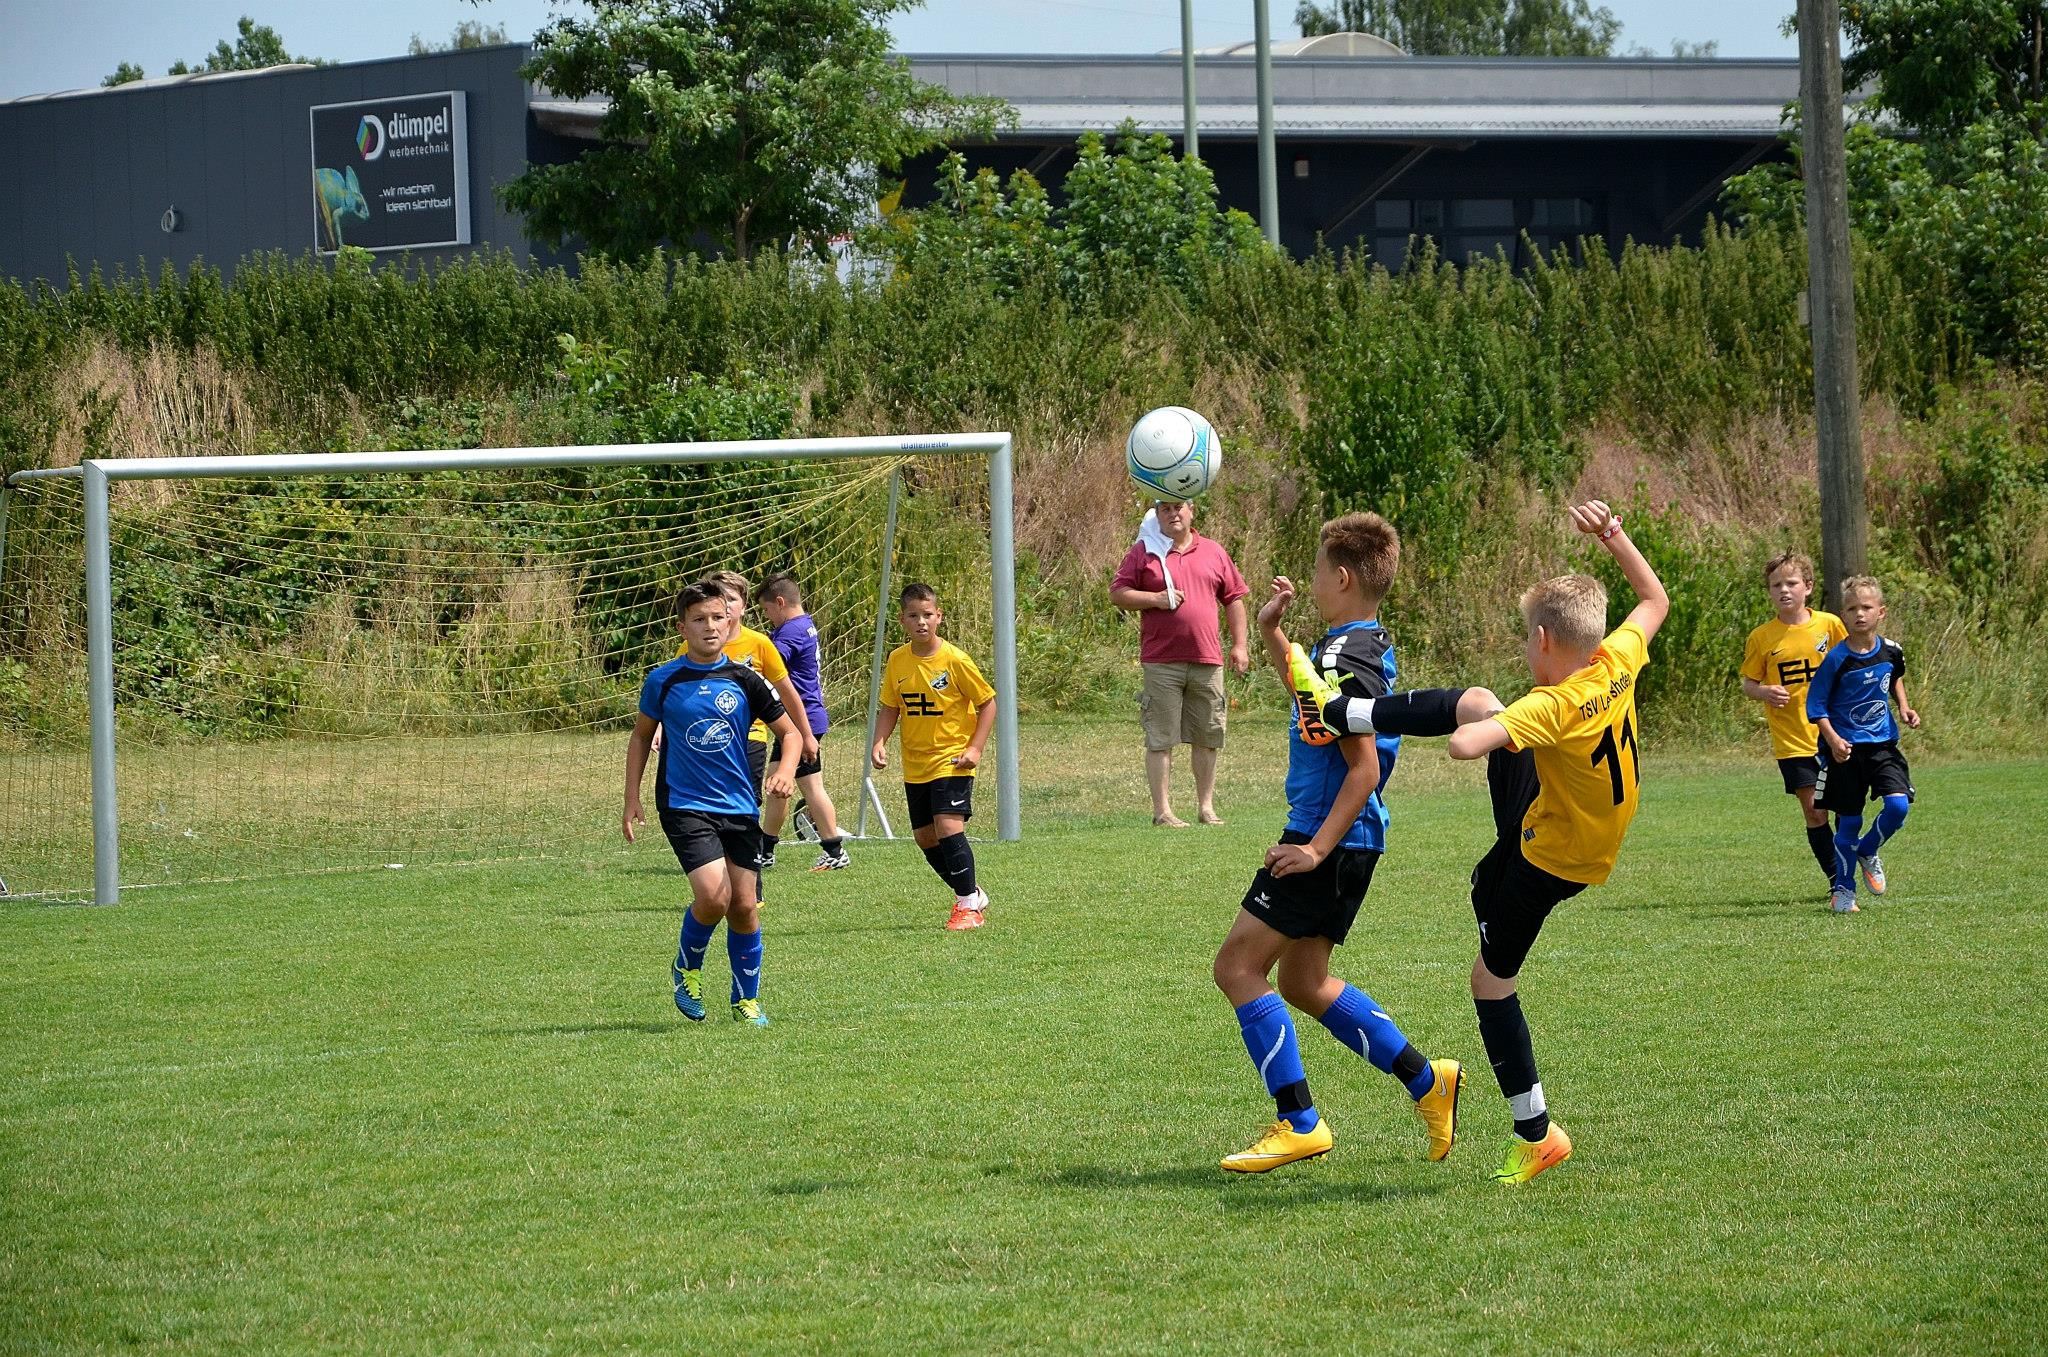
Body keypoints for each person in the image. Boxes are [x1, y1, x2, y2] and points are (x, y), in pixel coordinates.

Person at [1297, 499, 1668, 1185]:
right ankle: (1354, 711)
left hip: (1553, 856)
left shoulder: (1551, 705)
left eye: (1530, 639)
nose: (1528, 649)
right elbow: (1654, 597)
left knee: (1490, 982)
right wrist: (1613, 536)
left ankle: (1538, 1133)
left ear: (1549, 643)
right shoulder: (1617, 658)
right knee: (1481, 840)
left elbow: (1469, 745)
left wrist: (1495, 721)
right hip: (1579, 830)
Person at [1208, 511, 1462, 1174]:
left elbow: (1364, 767)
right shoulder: (1358, 644)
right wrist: (1270, 633)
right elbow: (1313, 698)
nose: (1315, 577)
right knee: (1303, 978)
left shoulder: (1345, 657)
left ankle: (1300, 1121)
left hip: (1329, 833)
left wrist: (1315, 848)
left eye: (1321, 567)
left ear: (1342, 575)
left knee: (1237, 966)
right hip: (1351, 835)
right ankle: (1426, 1080)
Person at [624, 580, 801, 1027]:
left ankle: (746, 1000)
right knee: (713, 896)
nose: (709, 627)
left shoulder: (744, 678)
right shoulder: (664, 680)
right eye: (699, 619)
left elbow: (791, 733)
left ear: (731, 622)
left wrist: (783, 771)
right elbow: (642, 736)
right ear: (682, 627)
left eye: (717, 618)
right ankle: (687, 968)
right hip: (684, 804)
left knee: (743, 904)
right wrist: (631, 797)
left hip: (739, 806)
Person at [1109, 497, 1251, 827]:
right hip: (1161, 662)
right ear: (1156, 515)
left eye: (1178, 507)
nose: (1173, 514)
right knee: (1161, 739)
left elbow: (1234, 599)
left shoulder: (1214, 551)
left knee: (1207, 736)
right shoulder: (1144, 550)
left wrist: (1240, 645)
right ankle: (1163, 812)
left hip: (1208, 659)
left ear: (1191, 511)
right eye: (1165, 509)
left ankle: (1206, 808)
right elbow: (1118, 592)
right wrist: (1156, 599)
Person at [870, 582, 997, 931]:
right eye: (914, 615)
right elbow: (890, 706)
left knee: (947, 826)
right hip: (916, 763)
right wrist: (880, 742)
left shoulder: (954, 660)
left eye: (928, 614)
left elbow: (988, 703)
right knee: (925, 837)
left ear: (939, 617)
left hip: (952, 758)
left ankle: (968, 907)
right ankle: (970, 891)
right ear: (902, 621)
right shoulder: (898, 660)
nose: (921, 621)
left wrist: (975, 748)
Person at [1807, 575, 1922, 915]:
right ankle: (1844, 890)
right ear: (1842, 614)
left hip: (1883, 746)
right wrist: (1833, 740)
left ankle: (1868, 850)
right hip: (1845, 751)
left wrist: (1903, 706)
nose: (1859, 614)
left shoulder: (1891, 651)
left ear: (1881, 612)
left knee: (1898, 808)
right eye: (1852, 608)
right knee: (1849, 822)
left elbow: (1894, 677)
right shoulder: (1836, 660)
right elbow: (1816, 706)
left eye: (1866, 607)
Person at [1739, 553, 1847, 886]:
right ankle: (1838, 880)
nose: (1784, 590)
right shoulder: (1762, 637)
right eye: (1776, 585)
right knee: (1815, 811)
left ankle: (1851, 864)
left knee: (1845, 808)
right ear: (1769, 592)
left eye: (1791, 583)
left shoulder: (1830, 625)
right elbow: (1748, 684)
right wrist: (1765, 692)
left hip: (1834, 734)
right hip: (1792, 741)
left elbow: (1852, 665)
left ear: (1808, 587)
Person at [705, 570, 817, 884]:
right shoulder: (695, 644)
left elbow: (787, 692)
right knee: (711, 810)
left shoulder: (760, 644)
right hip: (708, 743)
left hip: (750, 738)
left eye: (731, 599)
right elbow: (676, 693)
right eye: (718, 599)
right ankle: (718, 876)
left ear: (742, 606)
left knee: (743, 809)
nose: (724, 607)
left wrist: (806, 735)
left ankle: (750, 883)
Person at [754, 573, 851, 871]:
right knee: (779, 783)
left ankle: (834, 851)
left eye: (767, 610)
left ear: (780, 603)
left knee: (807, 786)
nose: (767, 617)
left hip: (801, 721)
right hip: (802, 719)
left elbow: (767, 665)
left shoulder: (791, 633)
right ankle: (766, 850)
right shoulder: (804, 625)